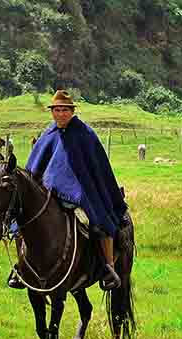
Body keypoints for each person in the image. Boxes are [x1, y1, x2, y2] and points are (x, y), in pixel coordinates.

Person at [9, 90, 127, 290]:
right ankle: (22, 267)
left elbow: (98, 169)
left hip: (81, 193)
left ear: (72, 111)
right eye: (57, 110)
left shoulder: (85, 134)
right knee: (22, 223)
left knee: (95, 221)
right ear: (52, 112)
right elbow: (34, 168)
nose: (61, 114)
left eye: (65, 110)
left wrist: (78, 189)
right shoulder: (48, 134)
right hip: (47, 193)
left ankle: (108, 267)